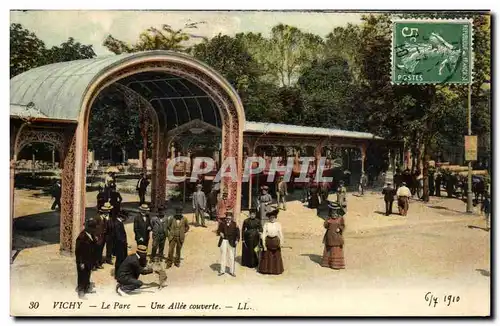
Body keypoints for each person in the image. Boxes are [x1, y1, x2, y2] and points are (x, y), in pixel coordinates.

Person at [75, 219, 97, 299]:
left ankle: (86, 288)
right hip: (83, 261)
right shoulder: (81, 237)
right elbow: (78, 252)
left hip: (89, 259)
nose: (94, 229)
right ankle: (81, 292)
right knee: (82, 276)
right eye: (93, 228)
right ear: (88, 228)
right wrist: (81, 263)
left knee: (87, 274)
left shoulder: (91, 234)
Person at [258, 209, 284, 275]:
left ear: (275, 218)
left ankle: (276, 270)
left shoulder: (278, 224)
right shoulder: (266, 224)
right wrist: (264, 245)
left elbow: (280, 234)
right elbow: (264, 234)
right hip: (268, 241)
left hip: (275, 241)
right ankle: (266, 270)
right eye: (271, 218)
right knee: (267, 255)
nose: (272, 219)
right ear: (269, 218)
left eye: (273, 218)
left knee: (276, 256)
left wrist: (281, 242)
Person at [321, 203, 346, 270]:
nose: (334, 212)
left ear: (338, 211)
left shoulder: (340, 218)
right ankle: (327, 263)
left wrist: (340, 228)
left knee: (336, 249)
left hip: (337, 237)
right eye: (332, 210)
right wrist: (327, 221)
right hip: (329, 236)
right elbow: (325, 226)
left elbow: (343, 226)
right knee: (328, 249)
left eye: (335, 210)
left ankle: (336, 265)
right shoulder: (328, 218)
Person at [217, 211, 240, 276]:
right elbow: (218, 230)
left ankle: (231, 271)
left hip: (231, 241)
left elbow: (238, 233)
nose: (228, 219)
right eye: (227, 218)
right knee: (223, 256)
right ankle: (222, 271)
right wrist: (220, 233)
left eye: (229, 218)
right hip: (223, 241)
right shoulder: (222, 223)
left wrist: (237, 240)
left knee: (231, 256)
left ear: (231, 218)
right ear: (225, 218)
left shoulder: (235, 224)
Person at [93, 202, 112, 270]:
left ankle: (99, 262)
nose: (106, 212)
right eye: (105, 211)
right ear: (102, 212)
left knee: (103, 248)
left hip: (105, 235)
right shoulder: (98, 217)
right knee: (98, 250)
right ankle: (96, 264)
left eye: (107, 211)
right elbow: (94, 227)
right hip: (99, 236)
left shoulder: (107, 217)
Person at [113, 211, 128, 278]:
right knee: (119, 260)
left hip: (121, 245)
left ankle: (120, 273)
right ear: (122, 217)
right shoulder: (117, 224)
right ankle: (117, 275)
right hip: (119, 246)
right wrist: (124, 243)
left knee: (121, 260)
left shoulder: (119, 222)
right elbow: (119, 237)